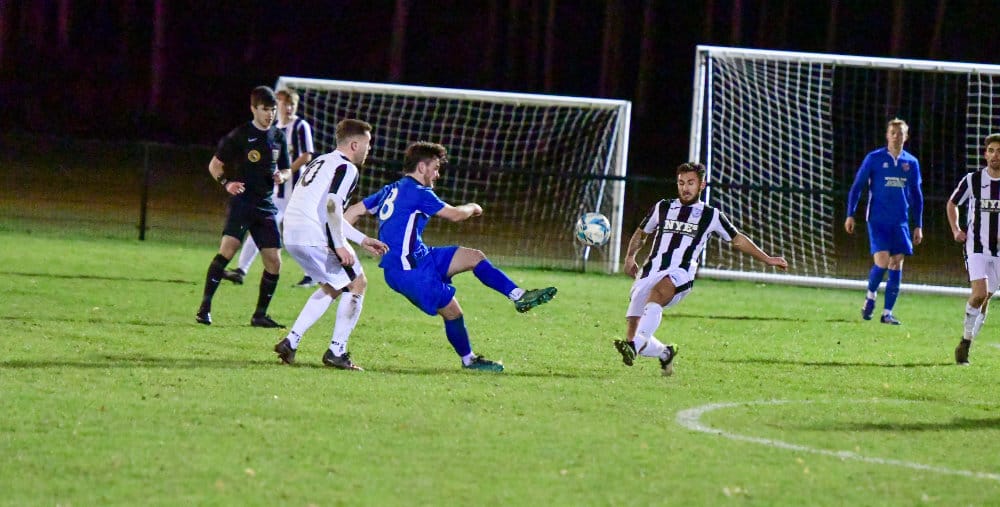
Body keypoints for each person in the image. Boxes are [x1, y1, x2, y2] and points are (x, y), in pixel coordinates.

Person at [344, 141, 557, 372]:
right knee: (453, 312)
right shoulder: (419, 192)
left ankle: (519, 295)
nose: (437, 174)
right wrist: (473, 206)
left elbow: (353, 211)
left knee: (474, 257)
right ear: (422, 167)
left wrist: (343, 238)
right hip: (409, 271)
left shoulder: (391, 189)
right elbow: (455, 215)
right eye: (435, 168)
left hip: (421, 256)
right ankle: (469, 360)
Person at [613, 162, 788, 376]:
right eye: (681, 183)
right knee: (633, 330)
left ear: (701, 185)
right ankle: (664, 352)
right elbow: (642, 233)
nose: (685, 188)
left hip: (680, 273)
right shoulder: (663, 207)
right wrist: (630, 257)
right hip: (650, 270)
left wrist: (767, 258)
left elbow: (737, 239)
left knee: (658, 293)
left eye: (690, 183)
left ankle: (633, 347)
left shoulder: (711, 215)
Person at [272, 119, 389, 369]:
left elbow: (327, 211)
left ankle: (291, 342)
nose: (369, 149)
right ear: (355, 145)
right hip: (313, 234)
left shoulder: (321, 161)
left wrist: (362, 239)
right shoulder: (347, 167)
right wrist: (339, 245)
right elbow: (332, 205)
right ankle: (337, 351)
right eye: (367, 144)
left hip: (292, 234)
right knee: (357, 282)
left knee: (334, 285)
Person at [196, 85, 291, 328]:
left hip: (266, 206)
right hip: (243, 204)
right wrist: (226, 183)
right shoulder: (240, 135)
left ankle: (259, 315)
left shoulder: (278, 137)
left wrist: (282, 176)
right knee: (227, 252)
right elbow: (214, 165)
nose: (270, 114)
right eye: (265, 109)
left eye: (273, 109)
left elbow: (287, 169)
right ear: (253, 109)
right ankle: (204, 308)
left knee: (274, 262)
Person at [223, 88, 318, 288]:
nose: (289, 108)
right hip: (276, 194)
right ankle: (241, 270)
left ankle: (312, 274)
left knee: (299, 233)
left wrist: (284, 172)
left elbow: (306, 156)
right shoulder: (274, 129)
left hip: (297, 192)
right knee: (259, 227)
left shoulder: (300, 126)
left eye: (292, 104)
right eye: (285, 104)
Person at [844, 118, 924, 325]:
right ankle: (870, 296)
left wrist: (918, 225)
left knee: (896, 263)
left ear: (906, 137)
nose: (896, 137)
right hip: (877, 219)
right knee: (882, 262)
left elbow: (917, 195)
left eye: (900, 133)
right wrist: (850, 214)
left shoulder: (911, 163)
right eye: (893, 133)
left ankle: (887, 313)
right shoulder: (874, 158)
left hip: (901, 222)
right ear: (887, 135)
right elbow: (857, 187)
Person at [947, 133, 1000, 365]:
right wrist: (956, 230)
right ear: (985, 154)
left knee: (985, 299)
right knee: (979, 294)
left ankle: (968, 340)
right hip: (976, 247)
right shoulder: (973, 180)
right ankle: (965, 345)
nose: (995, 155)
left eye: (999, 151)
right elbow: (952, 204)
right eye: (991, 151)